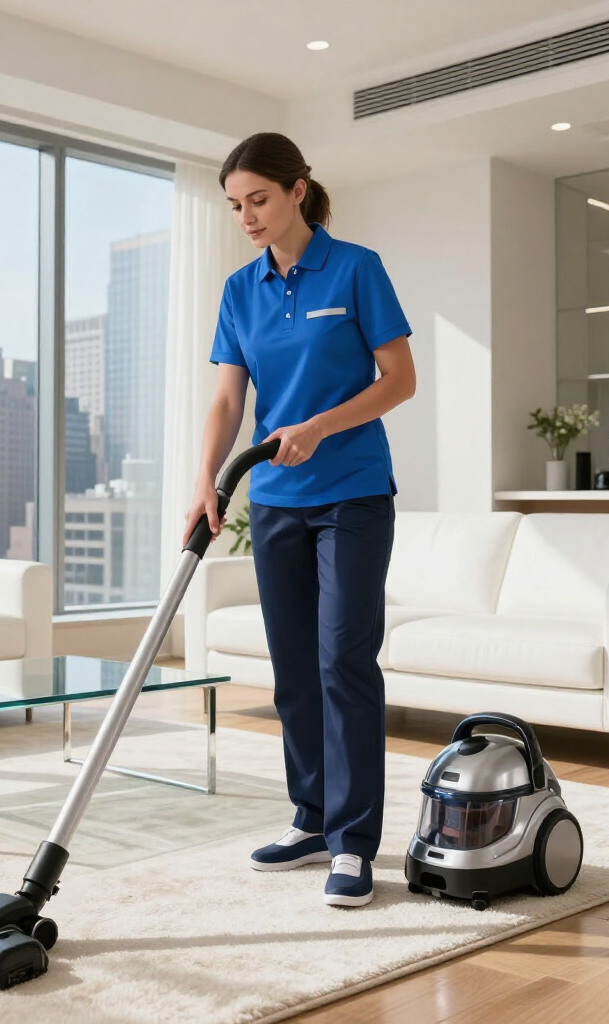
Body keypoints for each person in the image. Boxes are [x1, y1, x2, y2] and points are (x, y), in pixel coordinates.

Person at [182, 133, 416, 907]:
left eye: (258, 199)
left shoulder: (356, 268)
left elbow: (399, 381)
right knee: (292, 671)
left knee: (343, 661)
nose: (246, 216)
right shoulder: (240, 289)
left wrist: (319, 427)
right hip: (275, 502)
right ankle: (312, 817)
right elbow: (227, 399)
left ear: (297, 191)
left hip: (351, 492)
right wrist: (209, 480)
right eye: (235, 205)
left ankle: (354, 843)